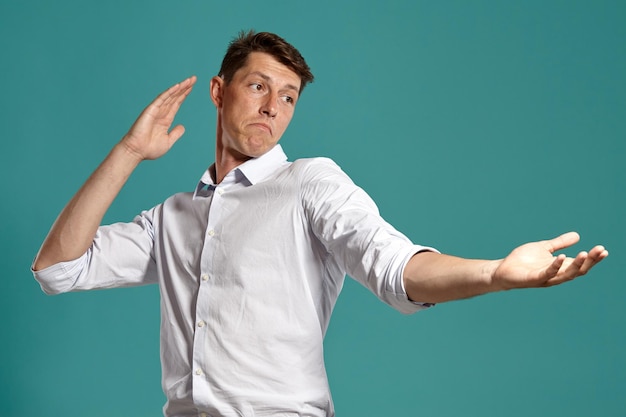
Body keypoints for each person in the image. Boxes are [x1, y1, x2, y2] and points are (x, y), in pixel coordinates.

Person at [32, 31, 608, 417]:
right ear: (219, 90)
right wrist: (130, 149)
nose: (271, 107)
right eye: (258, 86)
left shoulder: (310, 183)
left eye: (288, 97)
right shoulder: (173, 217)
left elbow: (396, 266)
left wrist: (495, 274)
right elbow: (58, 268)